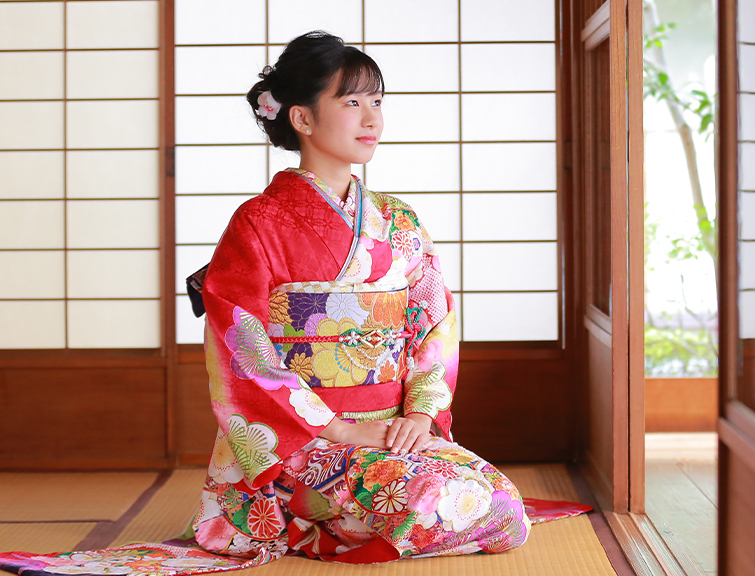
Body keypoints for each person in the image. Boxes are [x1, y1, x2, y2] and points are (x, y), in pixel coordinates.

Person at [0, 31, 588, 576]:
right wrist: (338, 428)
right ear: (302, 117)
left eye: (377, 101)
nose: (373, 118)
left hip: (393, 432)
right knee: (441, 501)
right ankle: (301, 517)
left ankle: (341, 519)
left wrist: (418, 416)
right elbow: (242, 347)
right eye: (352, 102)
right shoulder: (257, 223)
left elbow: (434, 325)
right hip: (304, 441)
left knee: (504, 509)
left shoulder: (400, 220)